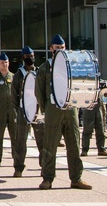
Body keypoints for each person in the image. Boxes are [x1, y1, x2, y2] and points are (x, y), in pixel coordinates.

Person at [35, 35, 90, 190]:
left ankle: (76, 178)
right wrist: (46, 110)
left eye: (62, 47)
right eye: (56, 47)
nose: (59, 50)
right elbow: (39, 91)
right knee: (50, 145)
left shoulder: (72, 66)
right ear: (51, 49)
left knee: (74, 144)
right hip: (53, 110)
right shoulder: (45, 67)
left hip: (71, 109)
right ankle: (47, 178)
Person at [11, 46, 43, 178]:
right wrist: (19, 110)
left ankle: (45, 166)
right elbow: (14, 96)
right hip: (23, 110)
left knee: (42, 140)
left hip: (38, 110)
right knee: (20, 141)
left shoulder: (40, 72)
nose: (30, 58)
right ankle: (18, 168)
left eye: (32, 55)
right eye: (27, 56)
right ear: (23, 58)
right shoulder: (18, 75)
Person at [0, 52, 17, 168]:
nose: (4, 64)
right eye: (2, 62)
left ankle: (16, 159)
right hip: (0, 110)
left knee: (15, 136)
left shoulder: (14, 77)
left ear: (8, 63)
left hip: (12, 110)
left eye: (6, 62)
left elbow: (17, 93)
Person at [81, 80, 107, 157]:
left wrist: (106, 89)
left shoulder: (101, 82)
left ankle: (101, 149)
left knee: (100, 129)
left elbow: (106, 93)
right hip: (88, 107)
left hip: (98, 106)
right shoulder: (85, 81)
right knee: (87, 130)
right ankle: (84, 149)